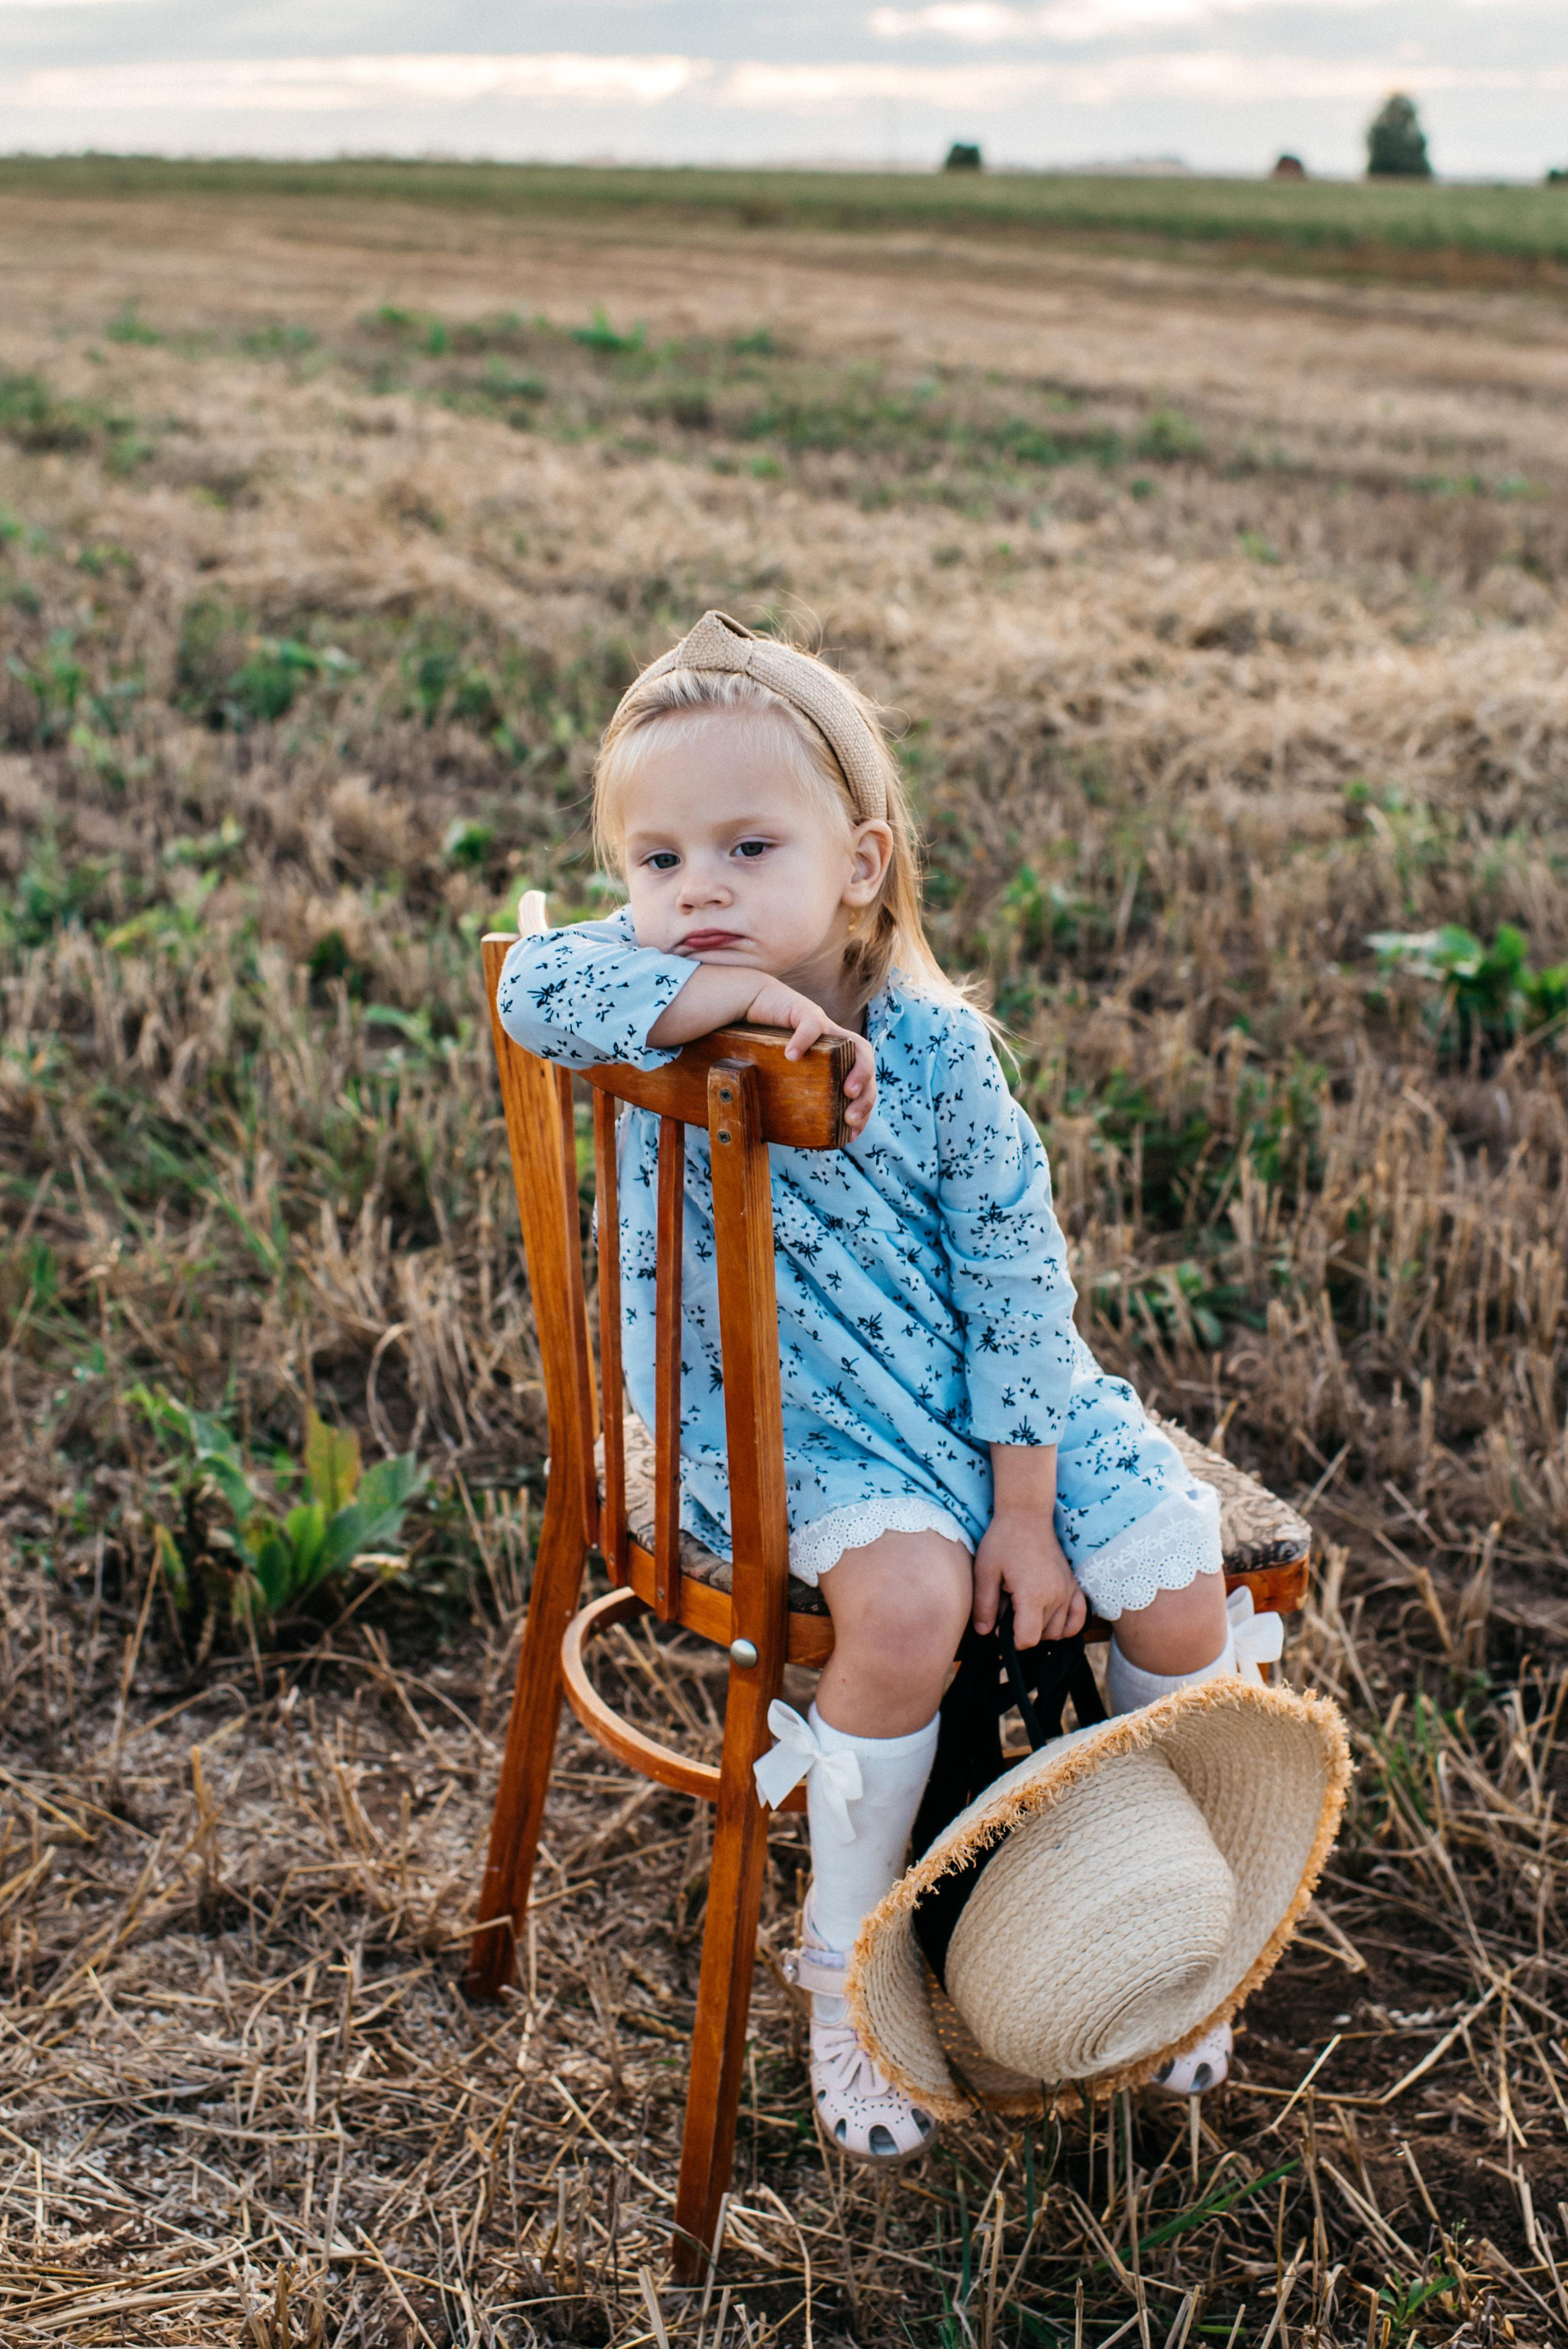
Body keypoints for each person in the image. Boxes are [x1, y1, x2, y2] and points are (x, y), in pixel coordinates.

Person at [498, 612, 1262, 2165]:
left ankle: (1167, 1919)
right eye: (654, 860)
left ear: (856, 863)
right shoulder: (636, 989)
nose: (692, 888)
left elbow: (1013, 1282)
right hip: (774, 1422)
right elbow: (526, 989)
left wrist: (1028, 1511)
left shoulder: (934, 1052)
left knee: (1175, 1588)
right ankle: (843, 1970)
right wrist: (744, 1006)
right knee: (907, 1608)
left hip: (981, 1402)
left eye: (743, 846)